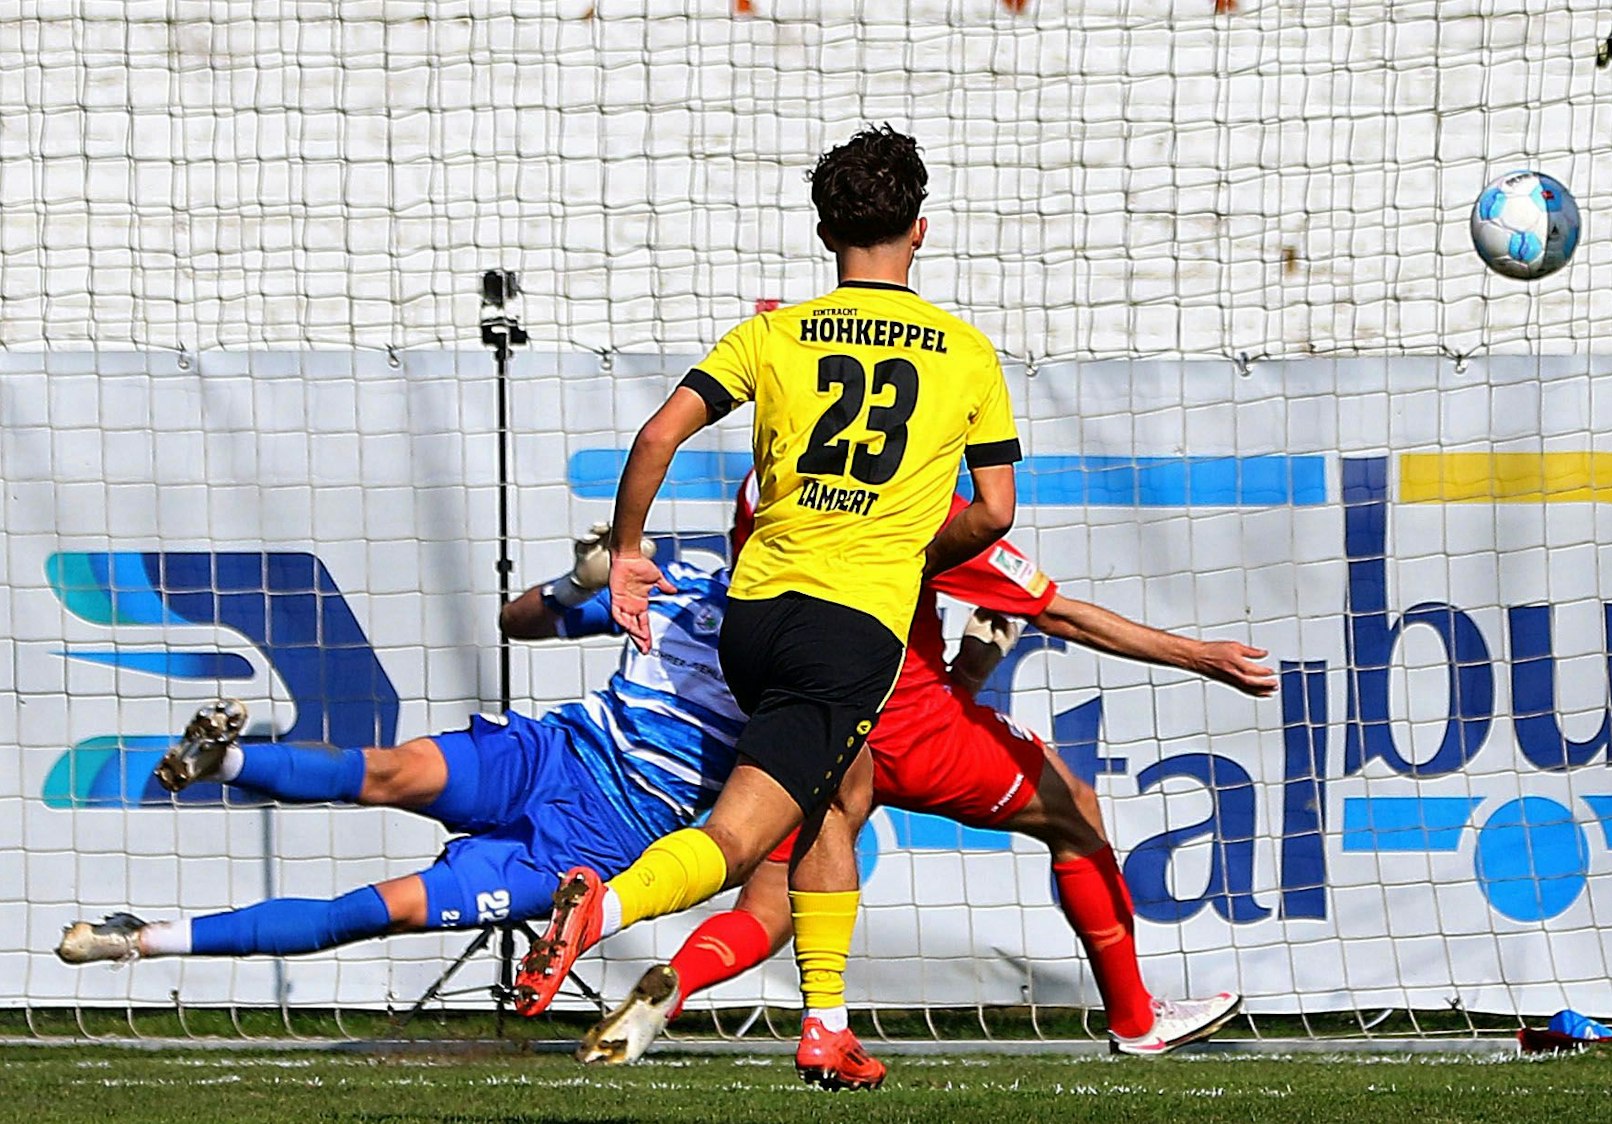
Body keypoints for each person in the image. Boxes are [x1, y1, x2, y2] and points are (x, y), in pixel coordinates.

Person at [511, 124, 1021, 1093]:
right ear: (920, 229)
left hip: (758, 609)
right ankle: (603, 911)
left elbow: (661, 429)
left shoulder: (776, 330)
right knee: (748, 832)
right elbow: (994, 511)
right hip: (850, 621)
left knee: (835, 790)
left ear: (827, 229)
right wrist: (907, 548)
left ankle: (825, 1022)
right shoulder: (962, 349)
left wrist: (624, 554)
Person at [572, 479, 1277, 1065]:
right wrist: (1197, 656)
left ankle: (677, 984)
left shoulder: (763, 485)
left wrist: (964, 662)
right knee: (1075, 812)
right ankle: (1134, 1018)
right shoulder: (918, 506)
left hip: (813, 723)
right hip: (914, 729)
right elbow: (1059, 614)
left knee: (765, 905)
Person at [53, 530, 739, 972]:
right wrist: (578, 585)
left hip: (605, 834)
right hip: (552, 752)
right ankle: (222, 762)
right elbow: (517, 622)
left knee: (374, 911)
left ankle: (139, 938)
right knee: (385, 769)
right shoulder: (681, 593)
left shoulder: (820, 661)